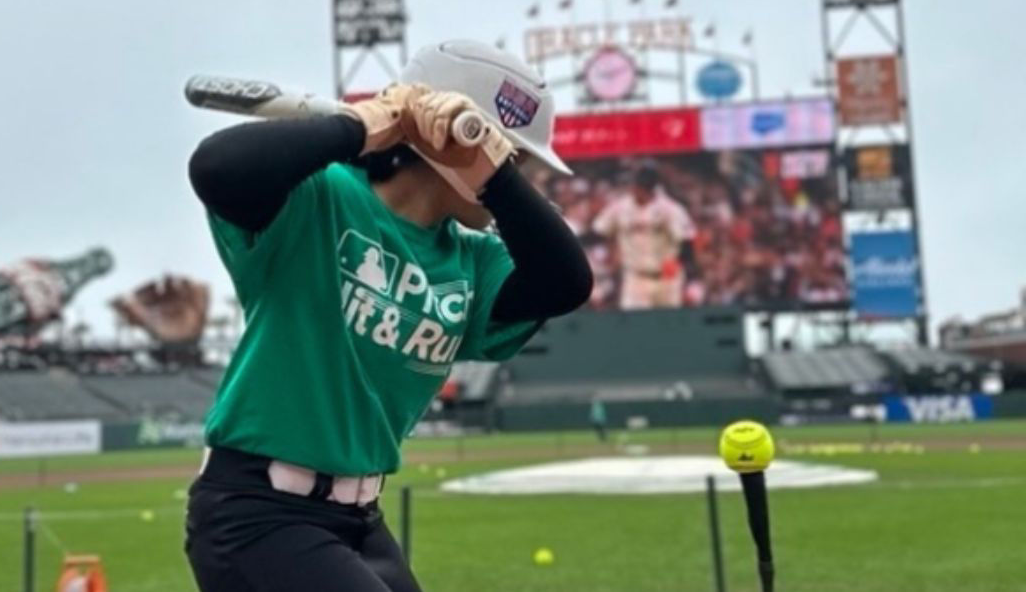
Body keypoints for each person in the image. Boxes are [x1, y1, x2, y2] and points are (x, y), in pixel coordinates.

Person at [183, 40, 592, 592]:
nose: (510, 171)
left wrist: (489, 173)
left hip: (360, 520)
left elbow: (566, 282)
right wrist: (369, 122)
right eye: (512, 156)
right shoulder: (320, 197)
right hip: (258, 512)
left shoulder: (472, 260)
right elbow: (216, 166)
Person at [592, 160, 698, 309]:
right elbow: (599, 230)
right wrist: (612, 252)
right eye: (638, 184)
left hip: (667, 276)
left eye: (644, 186)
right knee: (635, 324)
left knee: (668, 324)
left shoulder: (670, 209)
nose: (638, 189)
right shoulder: (620, 207)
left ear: (652, 187)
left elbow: (687, 241)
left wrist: (689, 275)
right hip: (636, 277)